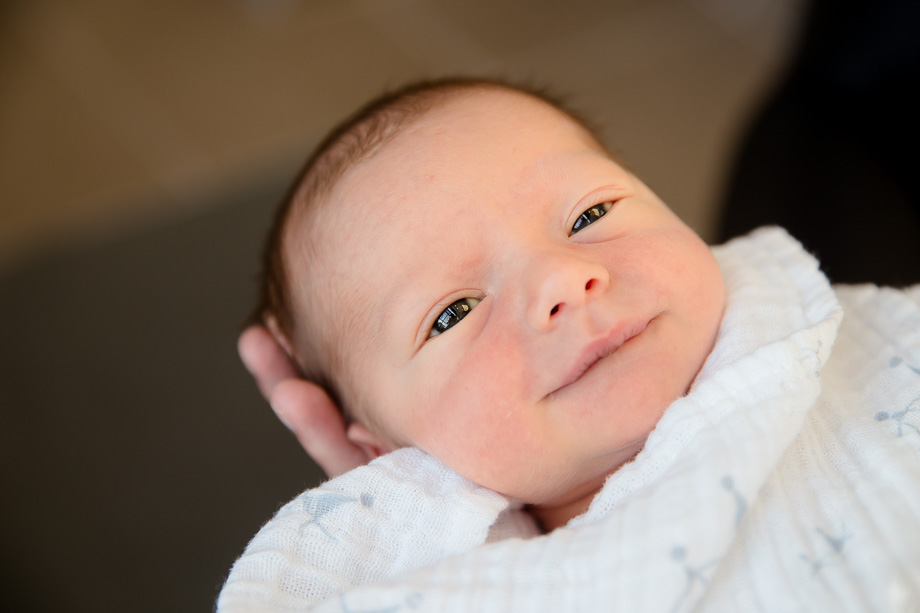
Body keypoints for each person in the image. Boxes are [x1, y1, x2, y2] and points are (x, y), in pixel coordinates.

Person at [221, 78, 920, 612]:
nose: (564, 276)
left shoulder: (861, 342)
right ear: (381, 451)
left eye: (590, 213)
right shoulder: (464, 585)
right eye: (454, 311)